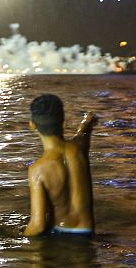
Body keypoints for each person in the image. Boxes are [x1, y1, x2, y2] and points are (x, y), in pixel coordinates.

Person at [23, 94, 97, 237]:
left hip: (61, 236)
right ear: (63, 122)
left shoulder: (38, 169)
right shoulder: (79, 148)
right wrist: (87, 123)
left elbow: (38, 225)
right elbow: (83, 134)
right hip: (88, 232)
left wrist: (17, 241)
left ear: (32, 124)